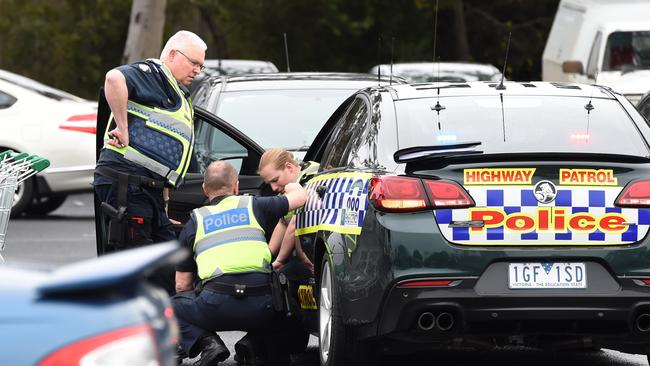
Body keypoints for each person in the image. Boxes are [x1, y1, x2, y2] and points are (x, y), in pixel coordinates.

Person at [93, 30, 206, 294]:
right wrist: (122, 127)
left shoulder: (173, 88)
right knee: (138, 269)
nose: (197, 70)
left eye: (201, 66)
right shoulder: (152, 74)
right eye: (194, 63)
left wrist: (164, 199)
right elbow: (113, 78)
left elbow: (163, 156)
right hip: (128, 182)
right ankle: (131, 330)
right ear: (173, 55)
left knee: (164, 266)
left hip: (149, 188)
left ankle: (158, 328)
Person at [172, 160, 308, 366]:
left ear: (204, 189)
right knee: (287, 305)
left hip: (215, 306)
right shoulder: (253, 205)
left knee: (170, 307)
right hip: (263, 306)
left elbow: (182, 285)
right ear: (236, 186)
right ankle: (254, 342)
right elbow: (300, 197)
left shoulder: (195, 221)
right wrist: (290, 183)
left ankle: (209, 343)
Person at [258, 148, 319, 272]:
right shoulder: (294, 183)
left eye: (275, 180)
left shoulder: (309, 181)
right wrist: (264, 258)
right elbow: (283, 223)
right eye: (269, 183)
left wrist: (279, 261)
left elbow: (293, 225)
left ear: (289, 167)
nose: (273, 188)